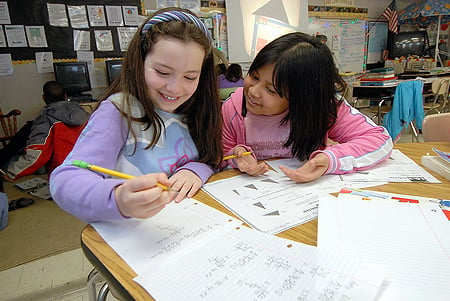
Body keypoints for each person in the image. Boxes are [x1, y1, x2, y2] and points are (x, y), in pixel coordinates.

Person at [50, 8, 223, 223]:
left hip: (184, 228)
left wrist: (195, 169)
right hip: (130, 240)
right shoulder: (118, 111)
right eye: (162, 72)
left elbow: (213, 157)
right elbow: (64, 180)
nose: (175, 88)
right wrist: (117, 199)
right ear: (139, 62)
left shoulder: (197, 109)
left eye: (190, 76)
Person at [222, 32, 393, 182]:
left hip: (309, 194)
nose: (253, 91)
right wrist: (236, 157)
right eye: (254, 76)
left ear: (301, 97)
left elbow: (380, 140)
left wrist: (330, 159)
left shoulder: (324, 108)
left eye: (270, 90)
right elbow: (220, 156)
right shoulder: (233, 108)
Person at [3, 81, 89, 181]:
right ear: (65, 96)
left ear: (43, 98)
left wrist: (11, 173)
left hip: (63, 171)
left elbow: (38, 154)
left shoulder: (45, 119)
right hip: (90, 166)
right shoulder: (85, 113)